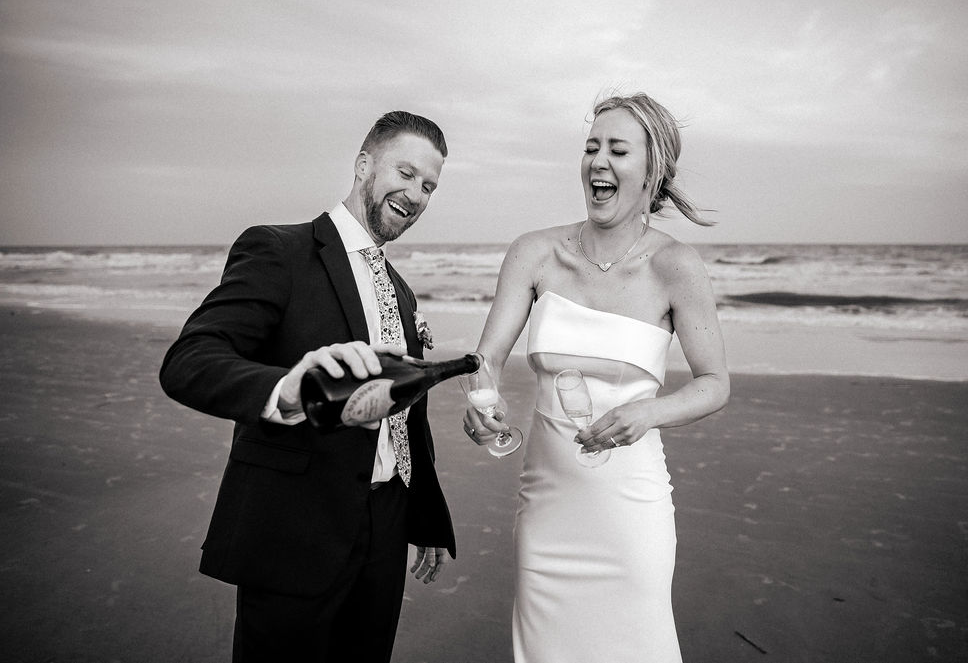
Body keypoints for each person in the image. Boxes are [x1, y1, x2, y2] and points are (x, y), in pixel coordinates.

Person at [160, 111, 456, 663]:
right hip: (296, 525)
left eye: (429, 186)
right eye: (406, 172)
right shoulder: (279, 250)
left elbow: (403, 415)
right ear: (364, 164)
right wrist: (288, 391)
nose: (415, 194)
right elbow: (189, 360)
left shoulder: (403, 292)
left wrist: (424, 517)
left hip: (384, 529)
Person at [463, 92, 730, 662]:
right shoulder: (534, 253)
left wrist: (648, 412)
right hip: (549, 503)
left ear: (651, 170)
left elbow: (714, 383)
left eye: (617, 149)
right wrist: (481, 403)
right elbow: (486, 358)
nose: (598, 162)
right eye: (590, 148)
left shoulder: (675, 266)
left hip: (630, 507)